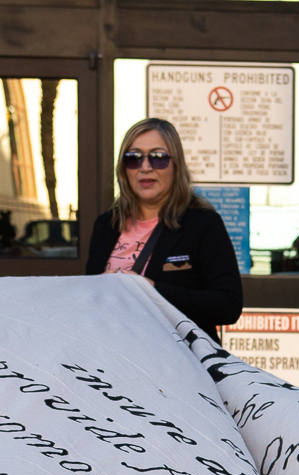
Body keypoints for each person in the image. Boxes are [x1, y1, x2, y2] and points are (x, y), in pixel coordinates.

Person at [86, 118, 242, 339]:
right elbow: (87, 302)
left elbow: (228, 305)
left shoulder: (203, 224)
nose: (145, 167)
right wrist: (99, 288)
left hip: (176, 356)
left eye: (158, 158)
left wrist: (153, 291)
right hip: (113, 351)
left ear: (176, 165)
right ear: (123, 168)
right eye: (133, 158)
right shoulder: (106, 224)